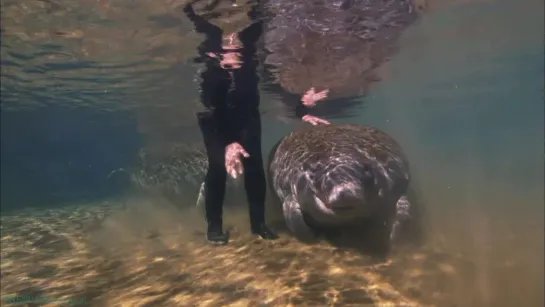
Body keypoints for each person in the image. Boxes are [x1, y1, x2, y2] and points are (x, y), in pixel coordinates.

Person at [184, 1, 329, 245]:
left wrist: (302, 110)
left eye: (237, 44)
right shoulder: (212, 68)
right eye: (226, 47)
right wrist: (228, 144)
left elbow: (279, 89)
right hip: (214, 121)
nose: (232, 47)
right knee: (218, 169)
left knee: (254, 168)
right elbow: (213, 108)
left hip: (246, 118)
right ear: (214, 52)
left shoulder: (251, 59)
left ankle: (259, 224)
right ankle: (215, 227)